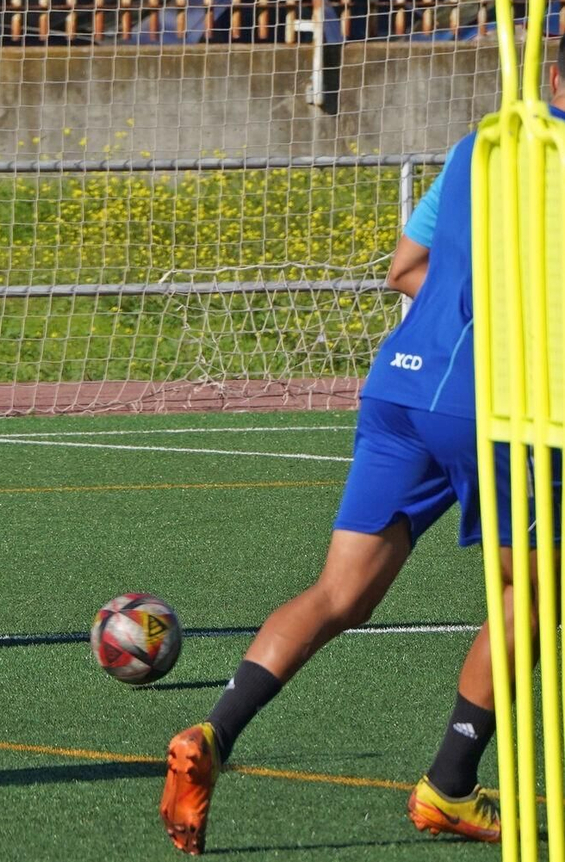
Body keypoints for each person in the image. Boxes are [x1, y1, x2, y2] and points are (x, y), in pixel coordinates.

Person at [158, 42, 565, 855]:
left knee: (339, 592)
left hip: (400, 386)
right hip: (503, 404)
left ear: (554, 76)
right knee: (532, 592)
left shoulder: (478, 144)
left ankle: (214, 730)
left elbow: (404, 268)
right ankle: (449, 785)